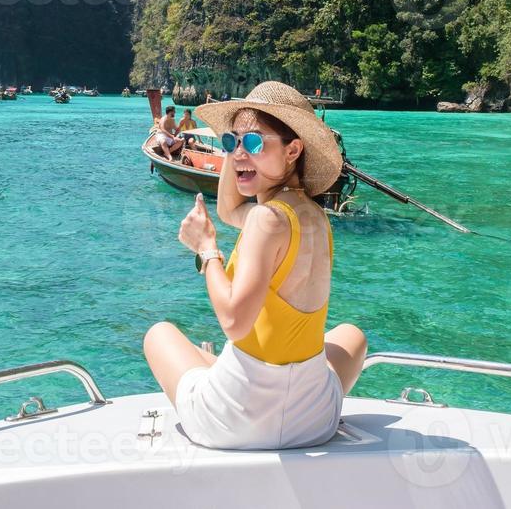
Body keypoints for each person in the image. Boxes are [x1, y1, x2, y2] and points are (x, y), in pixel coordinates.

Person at [143, 81, 367, 450]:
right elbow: (230, 210)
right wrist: (240, 150)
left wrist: (207, 249)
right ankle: (227, 368)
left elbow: (234, 321)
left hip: (238, 421)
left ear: (293, 149)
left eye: (255, 143)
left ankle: (226, 372)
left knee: (159, 334)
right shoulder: (314, 215)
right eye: (232, 143)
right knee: (352, 336)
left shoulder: (266, 219)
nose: (239, 155)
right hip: (313, 420)